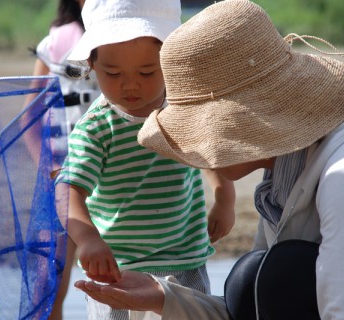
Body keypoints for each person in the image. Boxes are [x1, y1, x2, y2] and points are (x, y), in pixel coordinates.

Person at [72, 0, 344, 319]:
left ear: (241, 123)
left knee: (272, 273)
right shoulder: (283, 179)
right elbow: (247, 310)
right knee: (251, 280)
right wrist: (162, 297)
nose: (189, 150)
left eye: (194, 132)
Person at [54, 0, 236, 319]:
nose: (131, 84)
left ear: (170, 59)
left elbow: (208, 150)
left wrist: (224, 197)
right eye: (113, 73)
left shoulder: (183, 106)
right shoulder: (98, 127)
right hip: (117, 269)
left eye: (147, 71)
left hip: (185, 261)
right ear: (92, 66)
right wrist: (87, 239)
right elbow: (67, 191)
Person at [23, 1, 100, 319]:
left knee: (118, 277)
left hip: (113, 177)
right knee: (48, 287)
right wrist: (49, 170)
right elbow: (30, 115)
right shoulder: (57, 42)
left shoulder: (127, 37)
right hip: (61, 176)